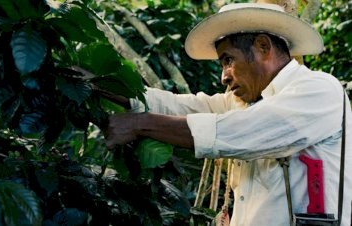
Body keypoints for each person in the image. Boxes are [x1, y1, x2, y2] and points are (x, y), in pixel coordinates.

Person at [104, 3, 352, 226]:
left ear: (263, 47)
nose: (224, 76)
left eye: (228, 60)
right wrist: (102, 85)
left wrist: (141, 125)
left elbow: (243, 132)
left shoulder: (319, 89)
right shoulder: (247, 102)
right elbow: (186, 106)